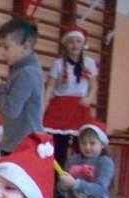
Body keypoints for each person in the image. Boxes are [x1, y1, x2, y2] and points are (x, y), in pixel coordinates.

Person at [46, 119, 116, 198]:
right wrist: (62, 186)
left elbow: (100, 189)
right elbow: (62, 189)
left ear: (102, 144)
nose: (87, 147)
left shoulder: (104, 162)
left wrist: (75, 183)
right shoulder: (72, 160)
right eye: (84, 143)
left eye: (92, 143)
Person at [43, 24, 98, 168]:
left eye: (78, 41)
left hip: (80, 106)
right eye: (71, 42)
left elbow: (94, 85)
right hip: (60, 107)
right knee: (58, 146)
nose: (75, 45)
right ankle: (57, 177)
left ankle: (81, 175)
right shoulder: (58, 64)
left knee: (82, 145)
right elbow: (50, 87)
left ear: (83, 44)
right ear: (65, 44)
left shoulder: (89, 63)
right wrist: (42, 107)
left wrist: (89, 98)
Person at [0, 17, 44, 155]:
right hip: (20, 144)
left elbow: (11, 110)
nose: (2, 52)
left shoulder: (26, 73)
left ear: (25, 47)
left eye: (6, 47)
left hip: (23, 147)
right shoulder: (23, 69)